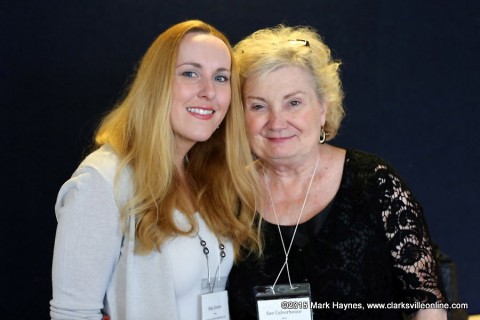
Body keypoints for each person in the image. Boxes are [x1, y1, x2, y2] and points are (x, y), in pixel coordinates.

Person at [227, 25, 448, 319]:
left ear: (323, 109)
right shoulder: (227, 194)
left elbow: (427, 306)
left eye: (294, 103)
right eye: (258, 106)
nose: (276, 121)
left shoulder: (374, 184)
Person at [50, 20, 261, 320]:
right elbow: (72, 315)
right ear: (157, 83)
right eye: (190, 73)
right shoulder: (103, 181)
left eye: (221, 78)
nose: (209, 92)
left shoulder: (202, 174)